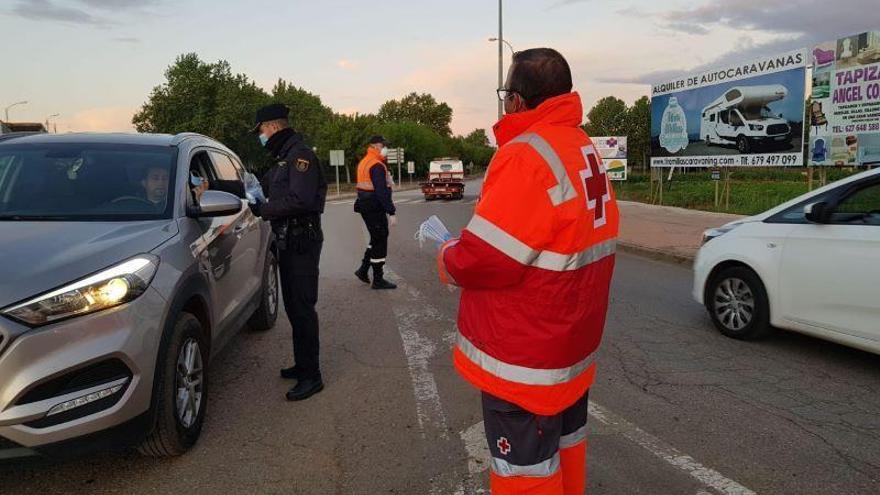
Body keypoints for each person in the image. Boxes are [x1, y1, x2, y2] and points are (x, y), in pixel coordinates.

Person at [438, 48, 620, 494]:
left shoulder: (525, 155)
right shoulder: (581, 147)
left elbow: (486, 257)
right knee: (566, 453)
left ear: (517, 100)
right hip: (569, 351)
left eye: (505, 95)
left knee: (526, 478)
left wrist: (446, 257)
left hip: (525, 360)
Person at [249, 103, 328, 401]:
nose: (260, 136)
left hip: (302, 243)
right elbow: (263, 184)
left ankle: (312, 376)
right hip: (288, 241)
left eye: (260, 131)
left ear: (272, 127)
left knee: (303, 308)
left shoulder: (300, 156)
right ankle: (302, 365)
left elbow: (301, 199)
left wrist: (263, 209)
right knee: (294, 308)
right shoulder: (284, 158)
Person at [353, 135, 398, 290]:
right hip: (374, 206)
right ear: (377, 146)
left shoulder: (365, 161)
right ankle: (378, 280)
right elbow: (381, 192)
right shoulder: (376, 165)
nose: (387, 148)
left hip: (365, 205)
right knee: (380, 239)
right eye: (385, 145)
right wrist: (391, 212)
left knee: (376, 237)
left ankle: (363, 270)